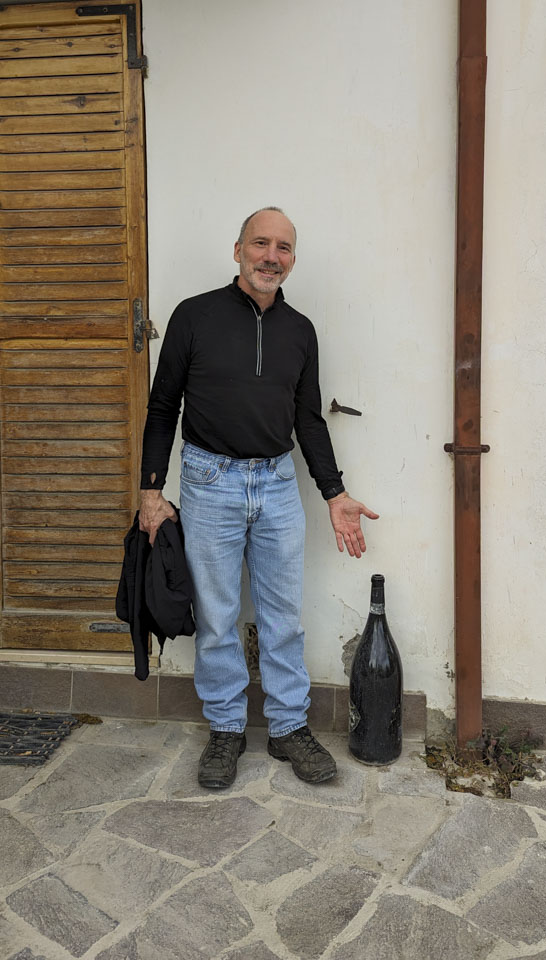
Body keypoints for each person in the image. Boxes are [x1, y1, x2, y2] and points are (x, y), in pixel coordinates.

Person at [139, 207, 378, 789]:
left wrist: (335, 491)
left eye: (285, 248)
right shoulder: (194, 316)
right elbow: (162, 407)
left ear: (293, 259)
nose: (272, 256)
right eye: (261, 244)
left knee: (282, 619)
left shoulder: (301, 331)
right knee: (219, 618)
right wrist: (150, 490)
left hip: (275, 485)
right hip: (208, 484)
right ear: (239, 249)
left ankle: (288, 727)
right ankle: (225, 729)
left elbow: (306, 419)